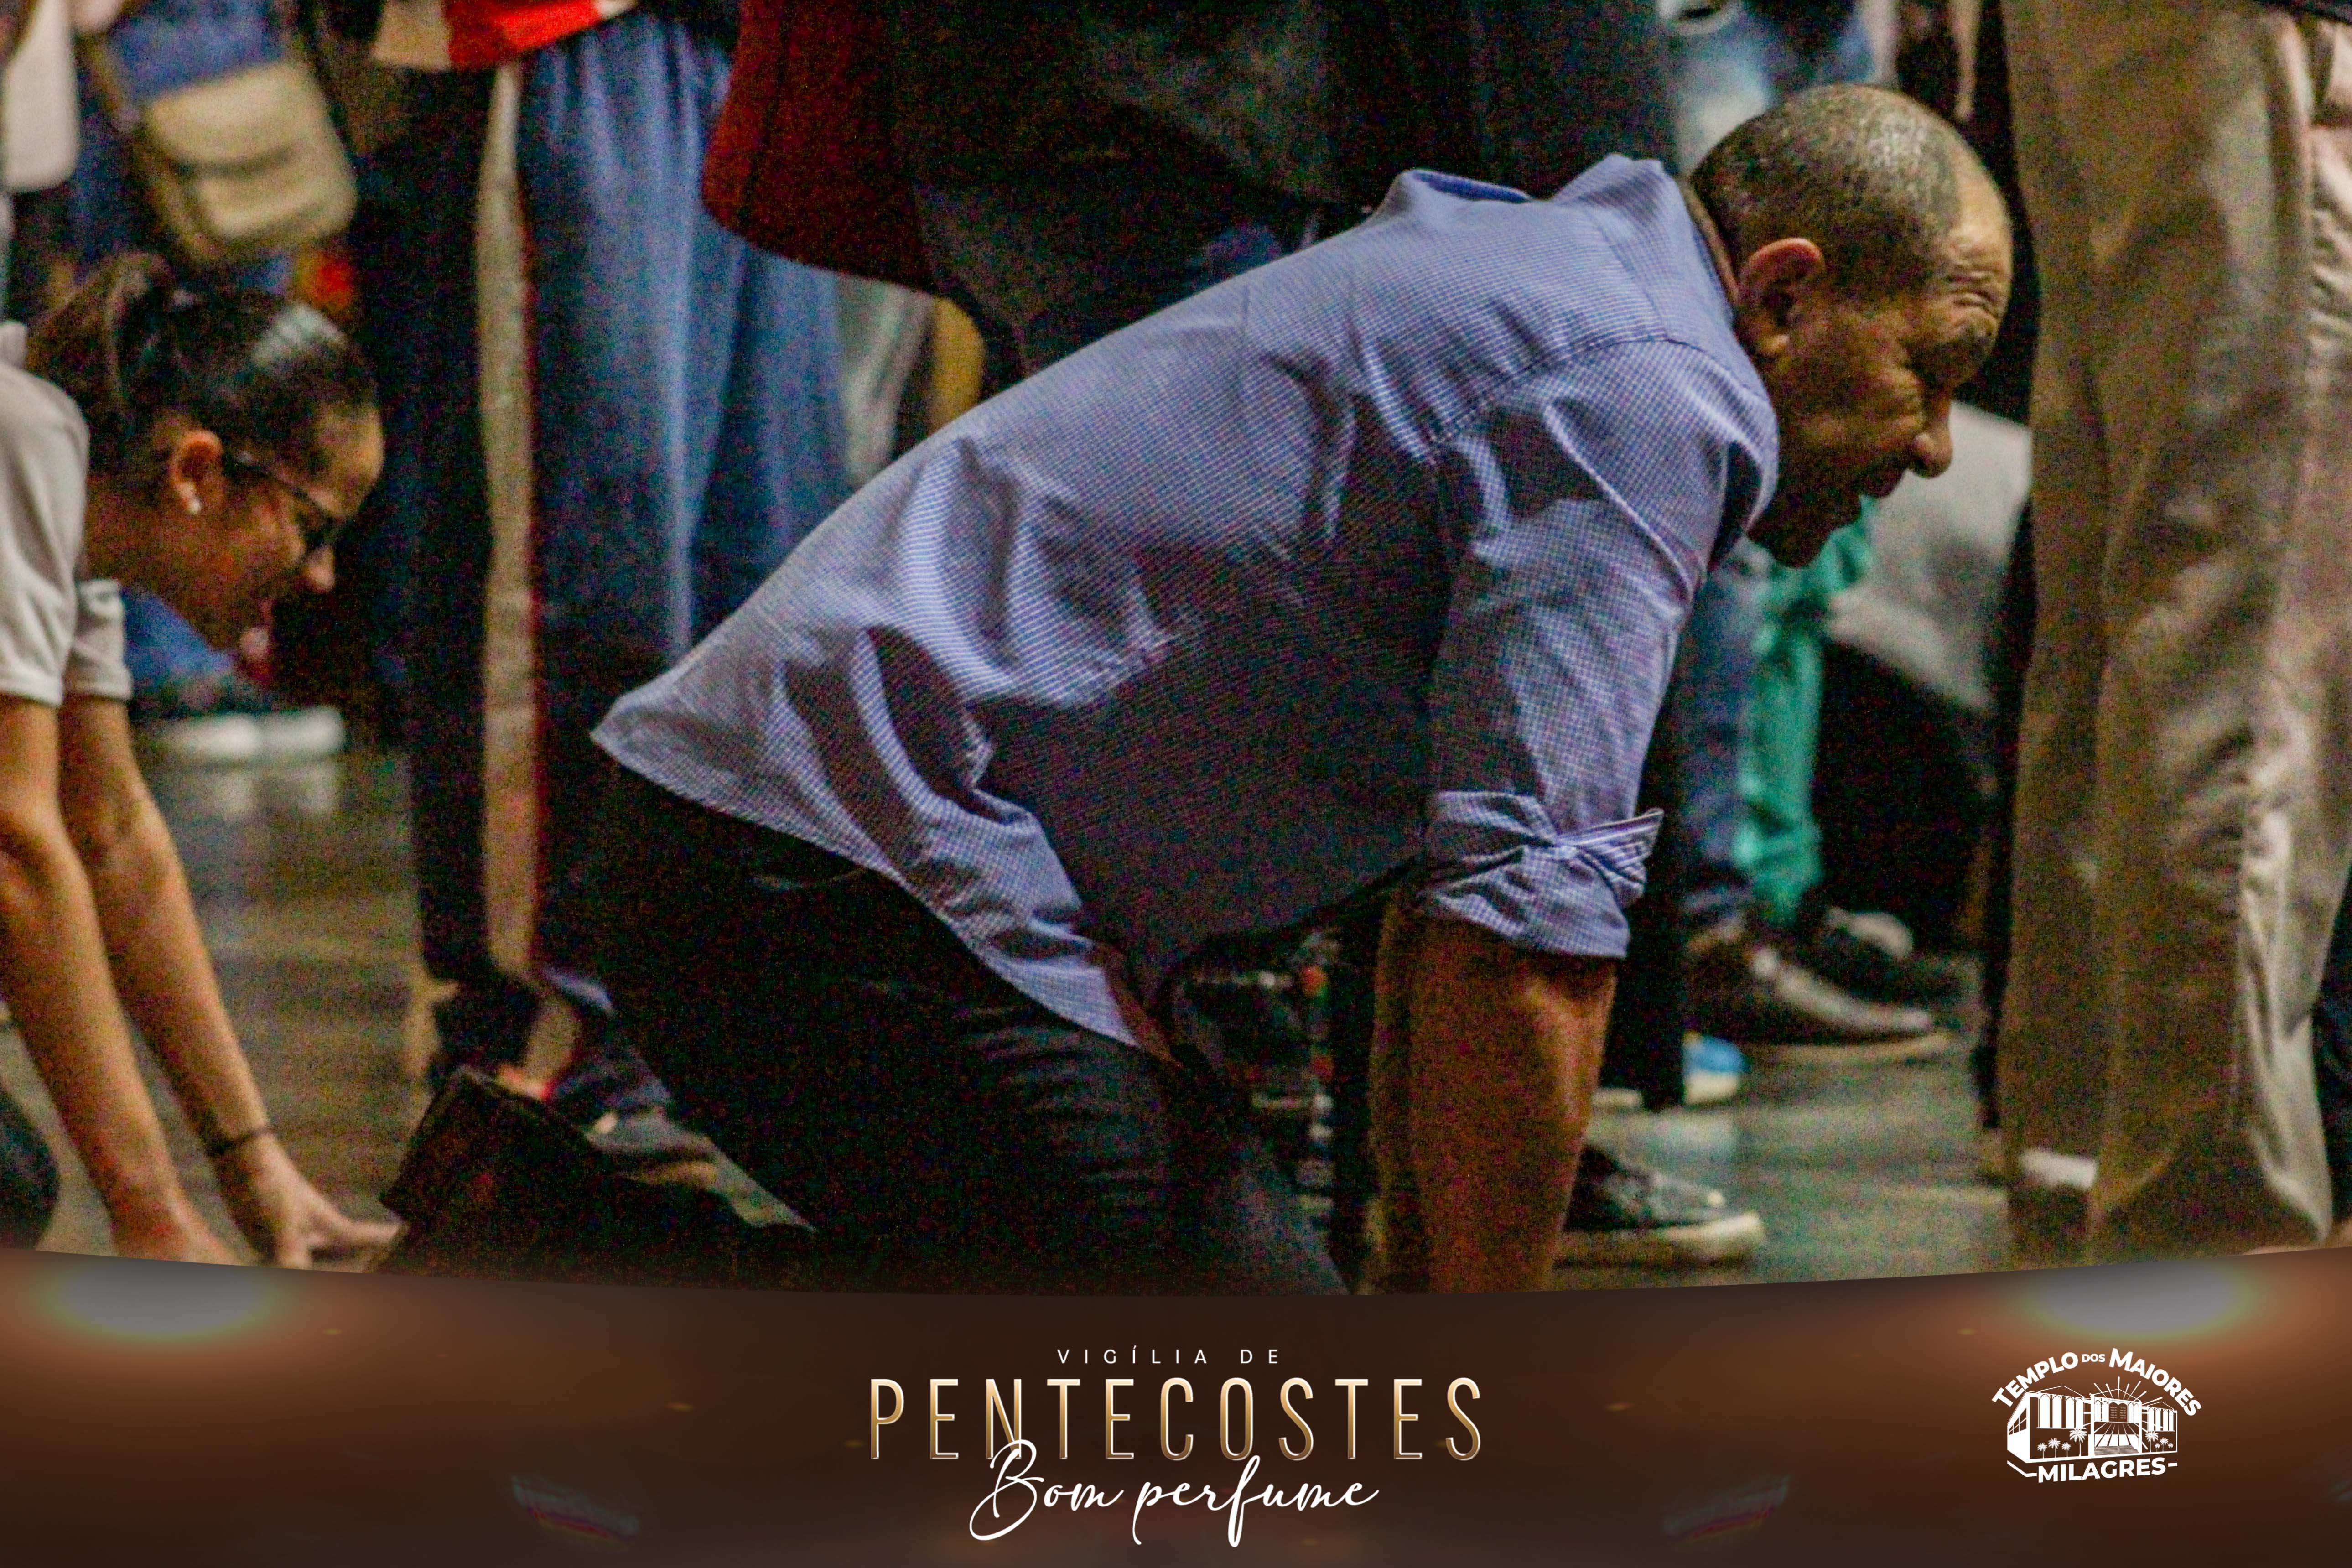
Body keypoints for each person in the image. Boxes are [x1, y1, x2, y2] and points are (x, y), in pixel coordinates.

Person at [578, 84, 2010, 1294]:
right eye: (1929, 371)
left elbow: (1453, 921)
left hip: (782, 844)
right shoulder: (1643, 392)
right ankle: (552, 1270)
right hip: (822, 880)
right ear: (1782, 293)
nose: (1936, 445)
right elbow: (1523, 953)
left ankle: (561, 1250)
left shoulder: (1582, 278)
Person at [1999, 0, 2352, 1259]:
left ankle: (2088, 1189)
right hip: (2253, 25)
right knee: (2243, 640)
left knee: (2130, 610)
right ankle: (2207, 1240)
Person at [0, 252, 395, 1263]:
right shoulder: (22, 443)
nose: (321, 576)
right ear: (197, 473)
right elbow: (17, 850)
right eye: (313, 528)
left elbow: (113, 834)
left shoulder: (85, 495)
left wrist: (252, 1166)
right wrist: (154, 1218)